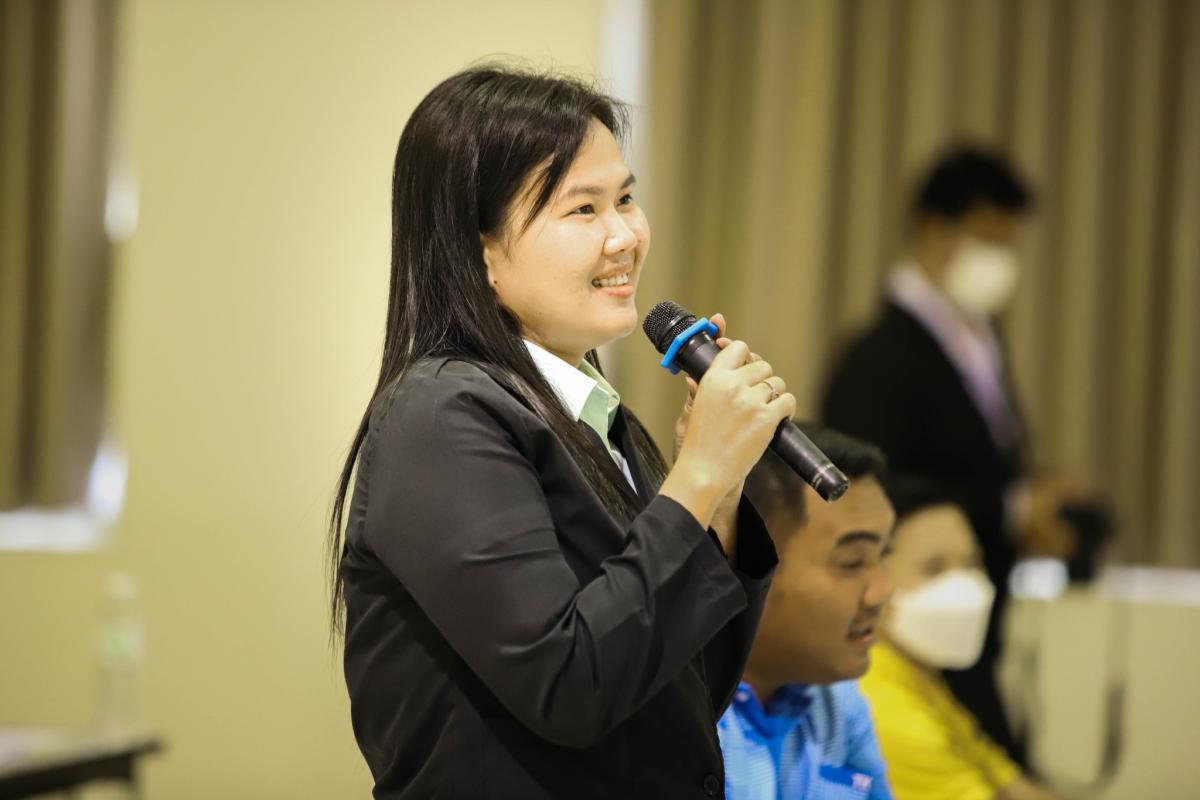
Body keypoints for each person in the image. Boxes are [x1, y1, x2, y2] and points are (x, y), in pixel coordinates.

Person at [328, 66, 798, 799]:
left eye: (626, 199)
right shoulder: (440, 417)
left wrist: (722, 488)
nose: (625, 237)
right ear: (478, 251)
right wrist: (697, 475)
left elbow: (685, 694)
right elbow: (569, 685)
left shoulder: (598, 415)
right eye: (583, 210)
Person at [820, 145, 1085, 760]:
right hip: (912, 630)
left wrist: (1036, 492)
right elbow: (875, 488)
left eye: (1010, 243)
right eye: (987, 239)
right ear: (933, 229)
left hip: (978, 625)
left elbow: (977, 460)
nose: (1002, 260)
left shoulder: (979, 341)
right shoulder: (881, 355)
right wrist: (1012, 509)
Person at [718, 425, 895, 800]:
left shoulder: (837, 703)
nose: (882, 593)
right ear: (747, 560)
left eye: (883, 556)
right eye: (852, 561)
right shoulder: (679, 715)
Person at [860, 482, 1060, 800]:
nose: (963, 586)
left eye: (971, 563)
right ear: (872, 582)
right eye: (934, 568)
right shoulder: (882, 710)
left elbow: (1012, 784)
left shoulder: (920, 680)